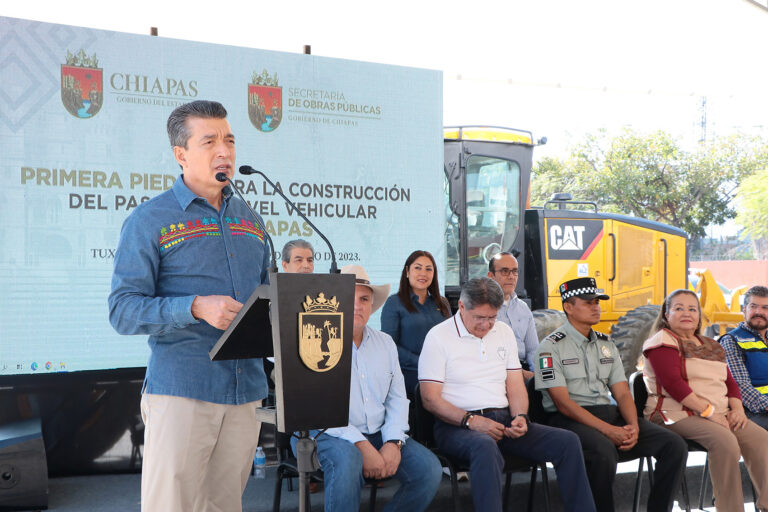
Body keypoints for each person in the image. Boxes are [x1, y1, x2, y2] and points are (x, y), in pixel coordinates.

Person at [108, 100, 270, 512]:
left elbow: (264, 299)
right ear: (181, 154)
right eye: (210, 141)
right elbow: (123, 310)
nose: (225, 152)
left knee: (224, 506)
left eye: (230, 141)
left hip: (245, 391)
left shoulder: (251, 220)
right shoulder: (150, 219)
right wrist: (195, 307)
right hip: (183, 390)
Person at [419, 277, 596, 512]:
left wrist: (521, 416)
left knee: (567, 442)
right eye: (480, 318)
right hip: (456, 425)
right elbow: (430, 399)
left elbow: (514, 385)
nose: (486, 325)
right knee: (484, 446)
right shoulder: (438, 336)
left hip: (503, 420)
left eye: (492, 317)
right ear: (461, 307)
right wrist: (471, 421)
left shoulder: (503, 332)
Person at [292, 264, 442, 512]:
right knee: (348, 459)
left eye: (364, 298)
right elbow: (319, 407)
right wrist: (362, 446)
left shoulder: (385, 343)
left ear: (372, 305)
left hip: (377, 432)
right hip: (323, 433)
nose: (356, 305)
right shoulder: (315, 340)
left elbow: (397, 399)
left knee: (429, 470)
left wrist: (394, 441)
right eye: (348, 297)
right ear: (334, 302)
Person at [535, 277, 687, 512]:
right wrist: (609, 431)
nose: (596, 307)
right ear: (568, 307)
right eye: (588, 302)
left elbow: (623, 393)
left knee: (674, 445)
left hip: (608, 413)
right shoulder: (550, 347)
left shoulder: (606, 344)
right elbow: (563, 404)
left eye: (597, 301)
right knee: (603, 451)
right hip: (569, 419)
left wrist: (632, 425)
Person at [642, 288, 768, 511]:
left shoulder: (711, 344)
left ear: (700, 315)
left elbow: (730, 382)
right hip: (674, 414)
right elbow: (673, 384)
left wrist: (737, 409)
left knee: (761, 439)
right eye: (678, 308)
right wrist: (711, 413)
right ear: (666, 314)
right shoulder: (661, 341)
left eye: (692, 309)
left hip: (718, 413)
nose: (686, 313)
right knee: (725, 441)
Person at [381, 250, 451, 397]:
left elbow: (451, 338)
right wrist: (421, 362)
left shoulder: (442, 303)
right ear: (407, 271)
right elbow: (389, 346)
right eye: (417, 268)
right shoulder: (394, 303)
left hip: (443, 376)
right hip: (409, 376)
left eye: (428, 269)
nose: (423, 273)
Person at [719, 285, 768, 430]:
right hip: (750, 410)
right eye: (753, 306)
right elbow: (740, 385)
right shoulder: (732, 340)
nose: (759, 312)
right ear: (744, 309)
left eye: (765, 307)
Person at [488, 251, 538, 380]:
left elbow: (533, 350)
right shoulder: (483, 309)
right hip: (496, 371)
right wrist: (520, 373)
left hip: (525, 369)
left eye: (515, 271)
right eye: (505, 271)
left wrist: (537, 376)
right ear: (491, 276)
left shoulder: (523, 308)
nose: (511, 276)